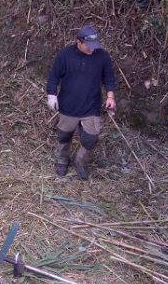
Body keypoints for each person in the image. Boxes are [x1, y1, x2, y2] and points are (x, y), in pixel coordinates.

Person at [46, 25, 117, 180]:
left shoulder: (102, 56)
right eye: (88, 46)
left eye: (95, 46)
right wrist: (51, 94)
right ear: (78, 41)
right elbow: (53, 77)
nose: (92, 49)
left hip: (91, 106)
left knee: (91, 139)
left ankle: (80, 161)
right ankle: (62, 159)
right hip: (68, 105)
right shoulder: (65, 55)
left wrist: (110, 97)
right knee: (64, 135)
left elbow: (109, 78)